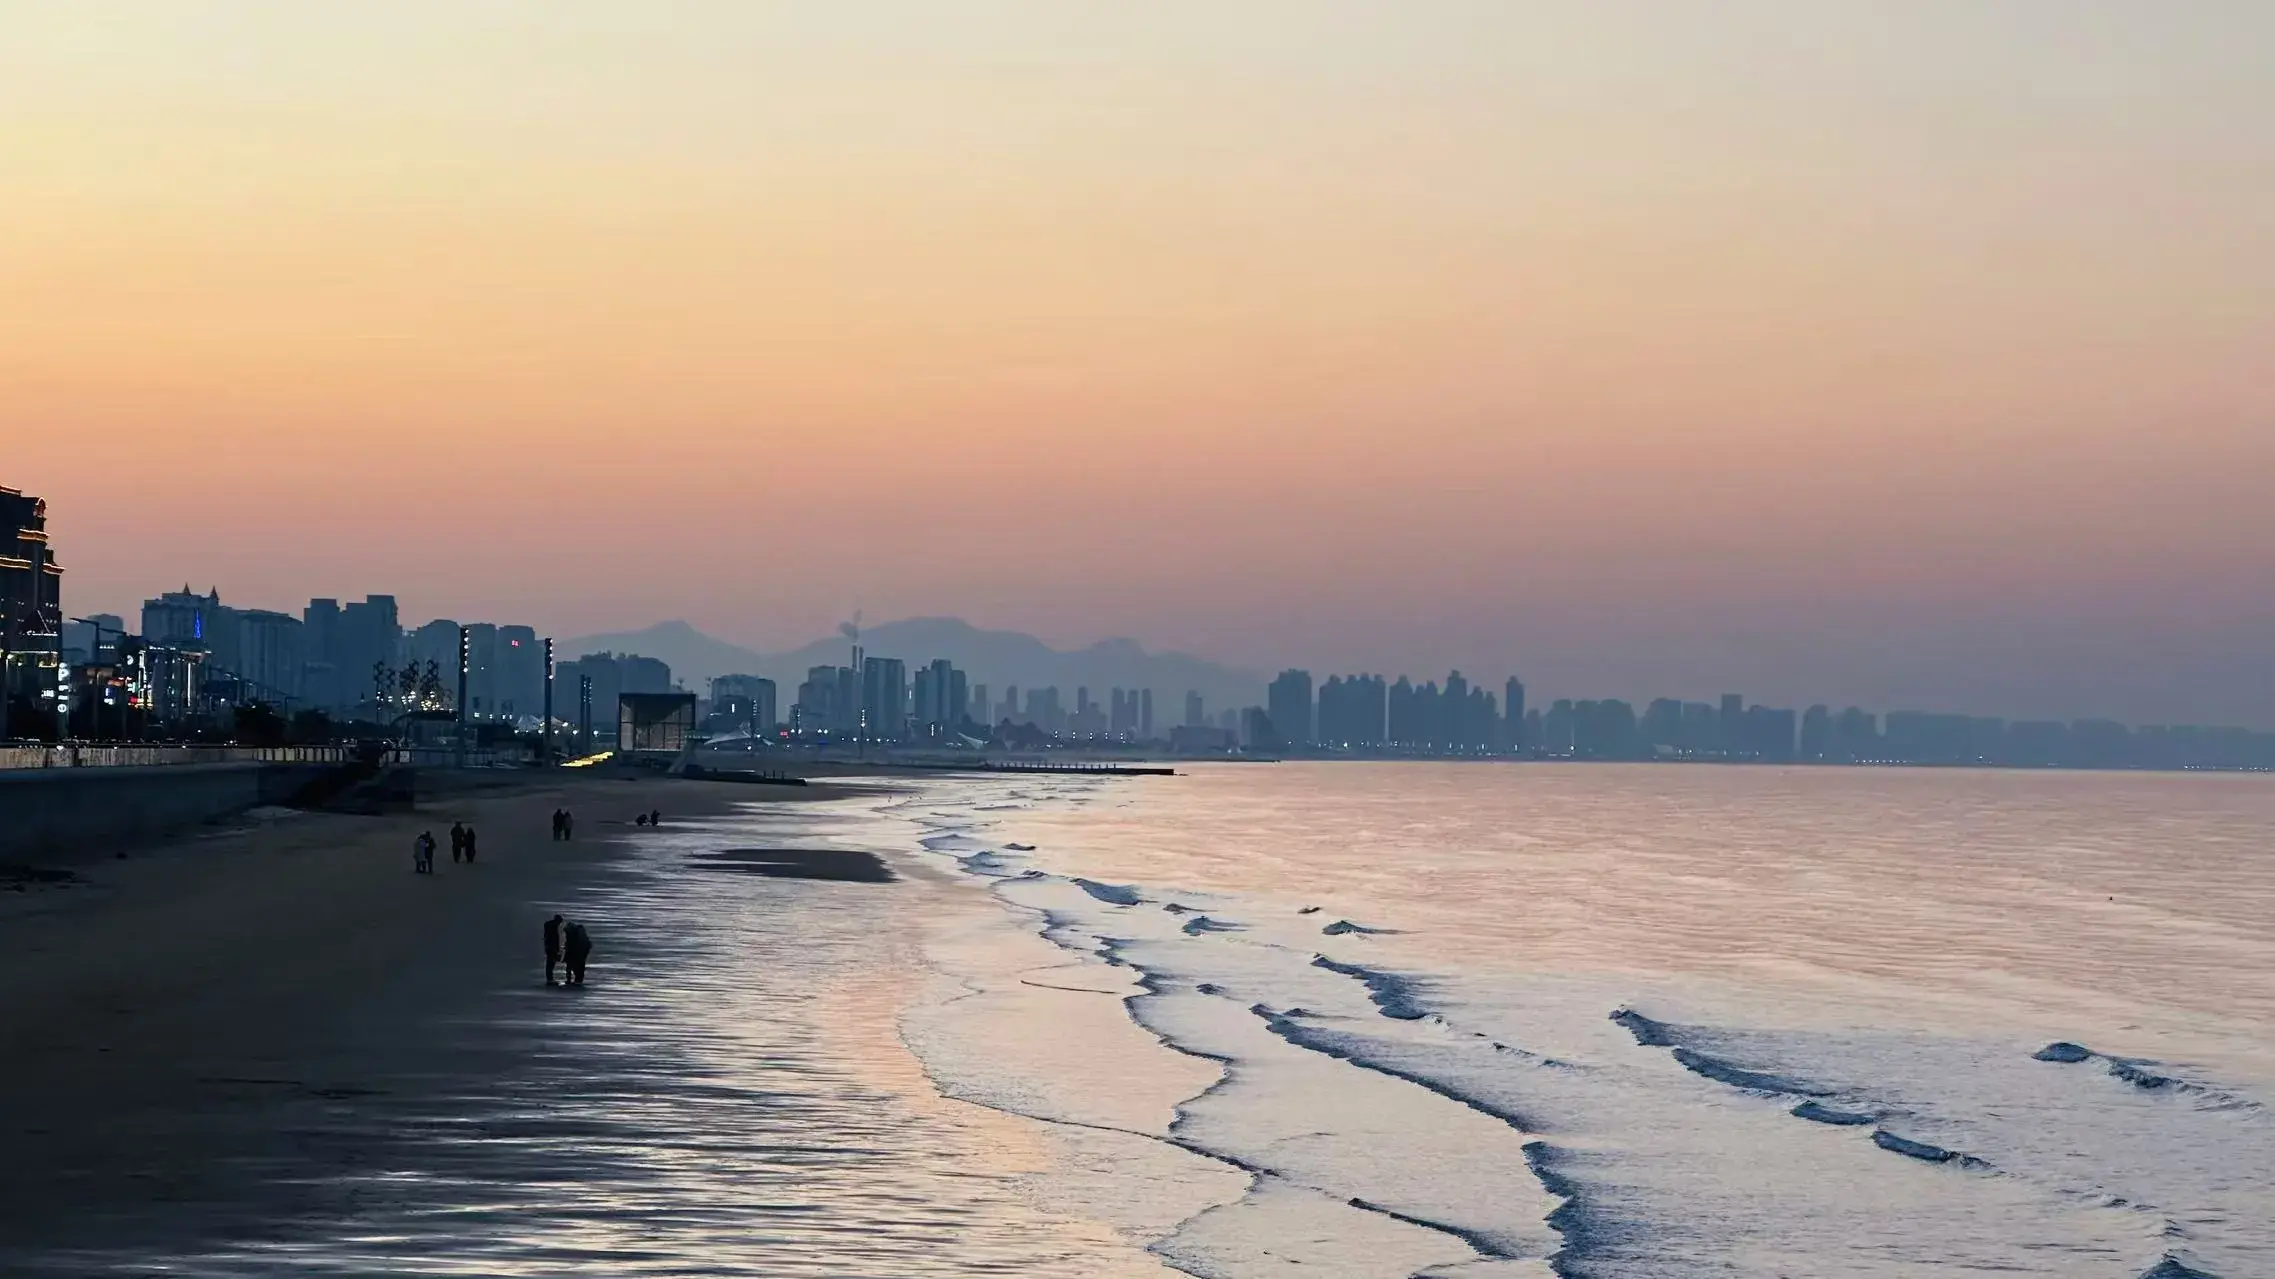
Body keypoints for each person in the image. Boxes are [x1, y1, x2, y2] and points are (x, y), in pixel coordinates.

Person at [562, 920, 592, 985]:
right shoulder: (578, 935)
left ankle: (576, 979)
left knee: (575, 967)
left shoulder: (576, 937)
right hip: (577, 953)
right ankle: (576, 979)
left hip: (577, 953)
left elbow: (572, 946)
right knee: (575, 967)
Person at [543, 913, 564, 984]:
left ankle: (549, 978)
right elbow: (554, 940)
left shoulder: (549, 926)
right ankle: (549, 978)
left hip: (549, 947)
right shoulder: (553, 928)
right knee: (550, 963)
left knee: (550, 963)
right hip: (552, 948)